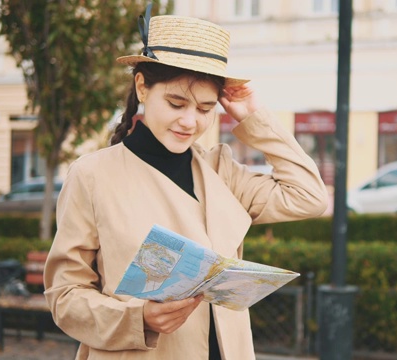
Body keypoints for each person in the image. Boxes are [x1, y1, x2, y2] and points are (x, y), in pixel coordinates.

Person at [43, 5, 328, 360]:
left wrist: (256, 119)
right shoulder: (92, 175)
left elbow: (310, 197)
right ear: (142, 87)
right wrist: (139, 317)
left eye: (206, 109)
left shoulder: (220, 169)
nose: (189, 122)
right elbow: (65, 295)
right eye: (176, 103)